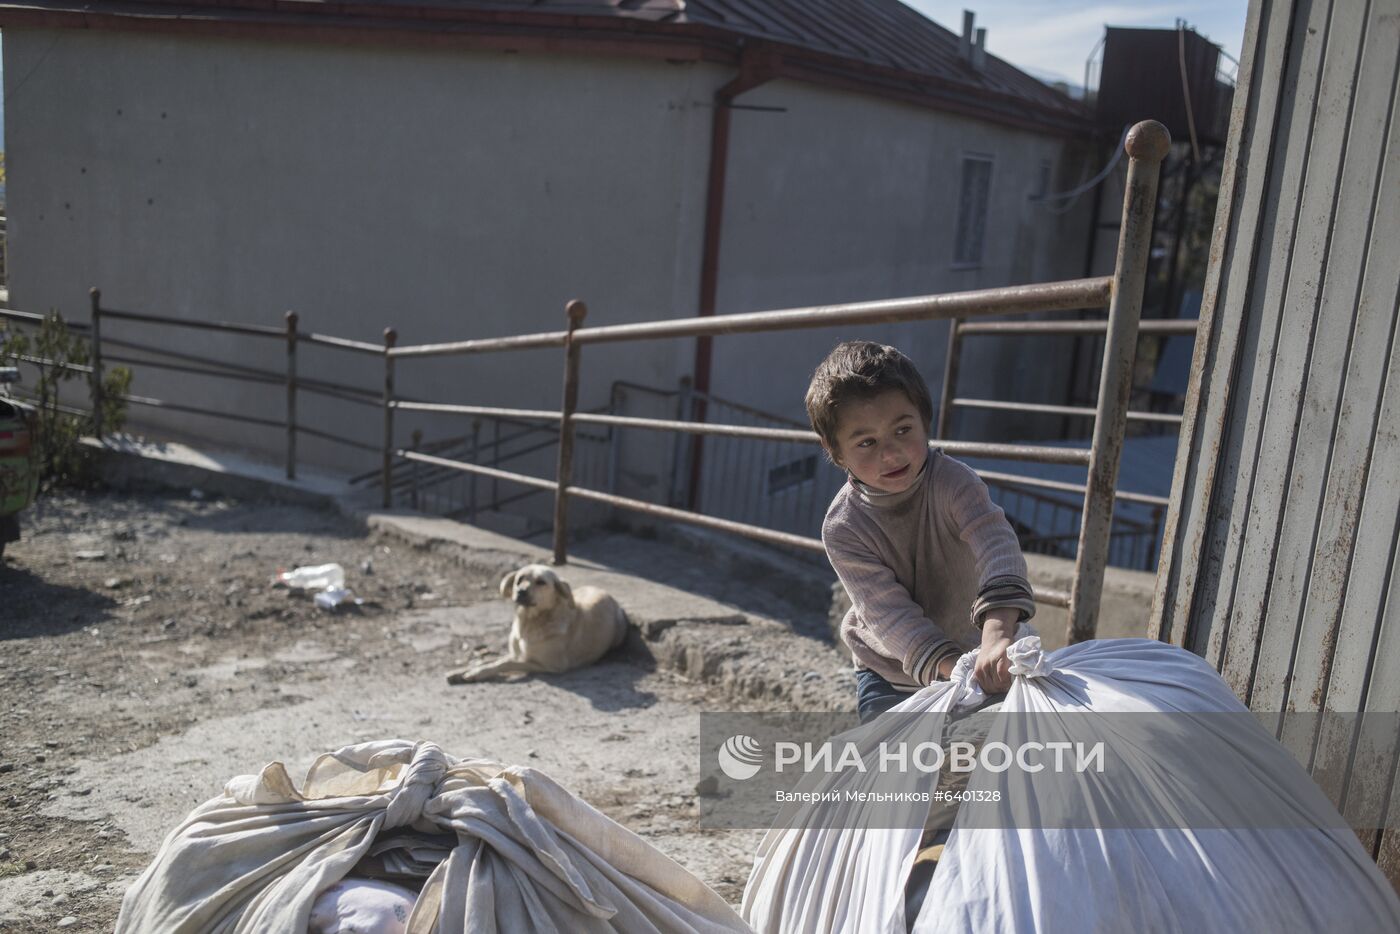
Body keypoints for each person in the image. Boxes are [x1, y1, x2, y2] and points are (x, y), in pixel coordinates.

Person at [805, 340, 1035, 723]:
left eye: (903, 430)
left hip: (986, 654)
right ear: (835, 450)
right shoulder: (843, 527)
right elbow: (890, 616)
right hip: (892, 673)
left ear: (925, 420)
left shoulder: (955, 483)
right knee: (891, 756)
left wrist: (997, 634)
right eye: (866, 442)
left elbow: (997, 545)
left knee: (1005, 751)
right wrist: (957, 669)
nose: (891, 454)